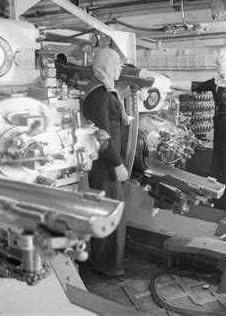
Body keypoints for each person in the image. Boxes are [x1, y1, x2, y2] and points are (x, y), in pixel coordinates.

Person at [171, 51, 226, 221]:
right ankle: (220, 206)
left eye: (219, 64)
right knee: (218, 169)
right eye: (216, 64)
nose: (217, 67)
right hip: (219, 133)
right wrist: (170, 83)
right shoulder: (216, 83)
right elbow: (195, 86)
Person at [82, 47, 129, 277]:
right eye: (117, 64)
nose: (120, 68)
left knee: (112, 213)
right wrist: (117, 163)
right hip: (105, 165)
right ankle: (107, 265)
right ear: (107, 66)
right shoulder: (98, 95)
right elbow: (101, 134)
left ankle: (110, 262)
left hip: (110, 163)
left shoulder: (105, 92)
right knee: (109, 214)